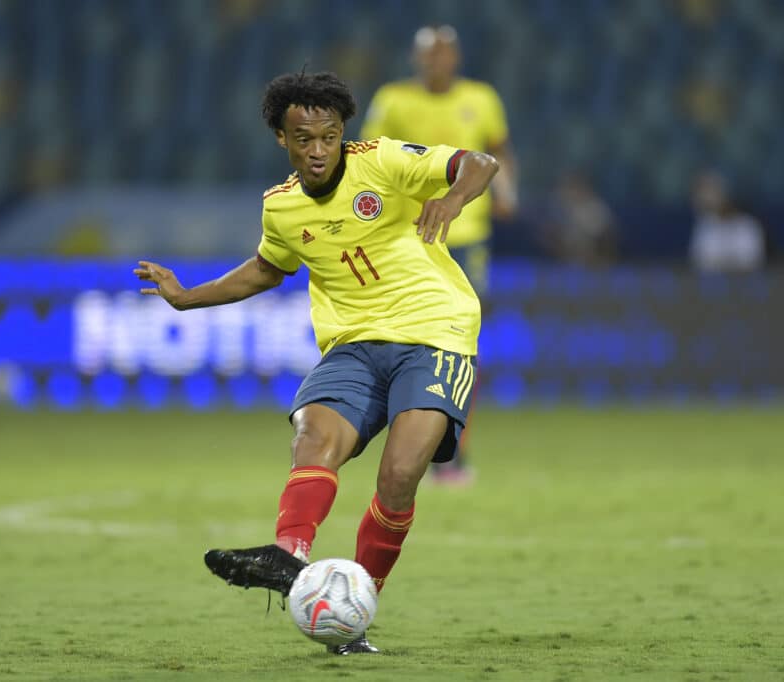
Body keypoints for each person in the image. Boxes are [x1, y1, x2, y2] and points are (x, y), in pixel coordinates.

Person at [133, 71, 497, 655]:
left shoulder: (381, 161)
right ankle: (290, 555)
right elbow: (266, 268)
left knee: (400, 476)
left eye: (328, 136)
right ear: (283, 138)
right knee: (312, 434)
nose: (319, 149)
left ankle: (355, 611)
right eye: (305, 139)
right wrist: (186, 296)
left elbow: (480, 162)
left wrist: (453, 198)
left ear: (342, 132)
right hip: (353, 344)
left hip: (437, 332)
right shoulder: (280, 208)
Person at [361, 24, 518, 484]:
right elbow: (369, 158)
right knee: (405, 341)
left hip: (467, 235)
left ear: (457, 58)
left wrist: (507, 192)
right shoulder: (392, 101)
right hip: (411, 236)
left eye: (445, 54)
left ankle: (453, 450)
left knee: (462, 344)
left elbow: (500, 152)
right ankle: (407, 442)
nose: (437, 61)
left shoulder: (483, 98)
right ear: (416, 59)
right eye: (429, 54)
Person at [689, 170, 766, 273]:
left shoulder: (748, 226)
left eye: (711, 192)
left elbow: (752, 264)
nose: (706, 199)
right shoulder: (704, 227)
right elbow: (700, 265)